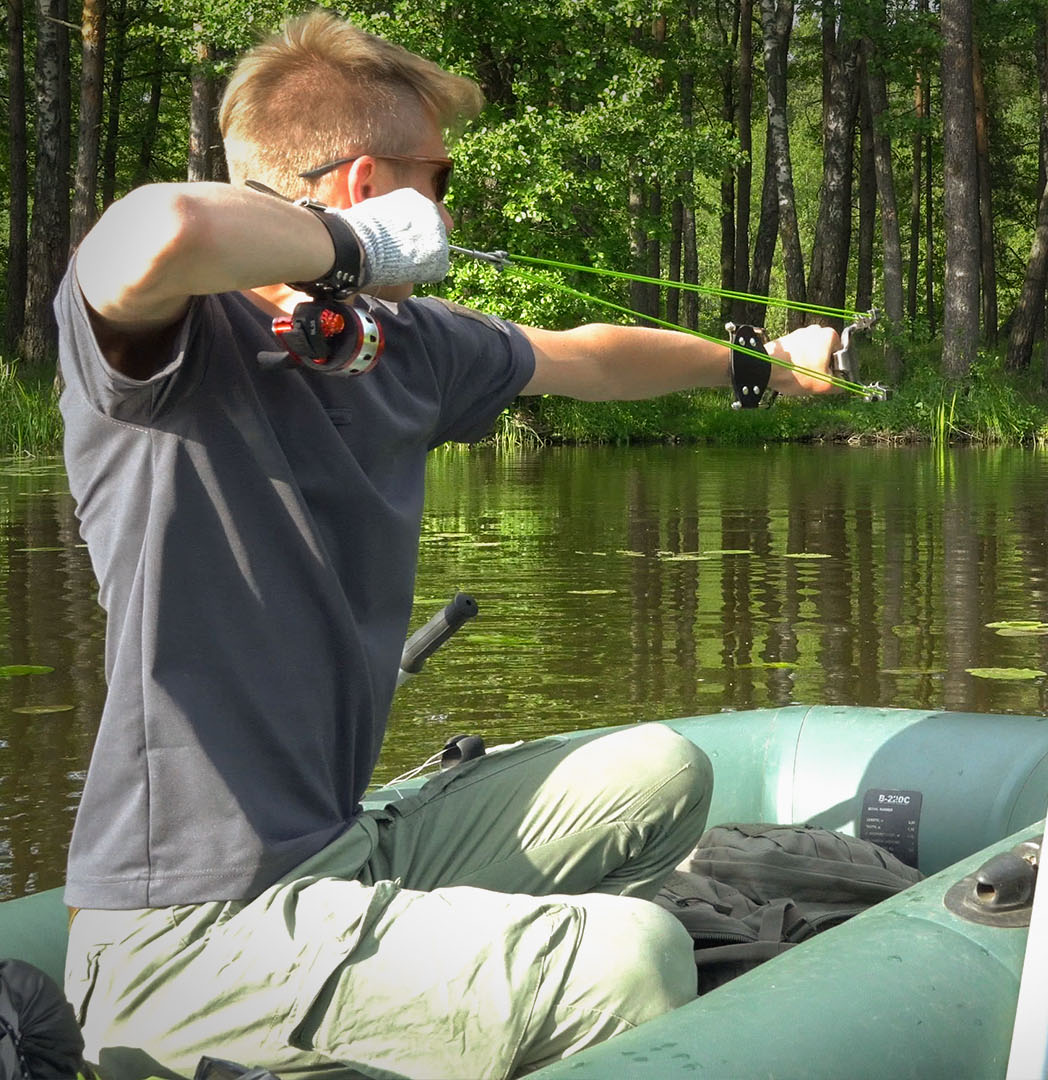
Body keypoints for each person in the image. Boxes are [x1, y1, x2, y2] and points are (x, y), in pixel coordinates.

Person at [54, 11, 841, 1079]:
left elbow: (589, 359)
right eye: (440, 177)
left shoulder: (403, 346)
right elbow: (154, 232)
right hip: (182, 930)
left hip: (343, 852)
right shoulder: (175, 345)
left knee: (663, 773)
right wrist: (358, 245)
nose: (452, 207)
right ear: (365, 183)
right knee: (633, 959)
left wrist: (757, 364)